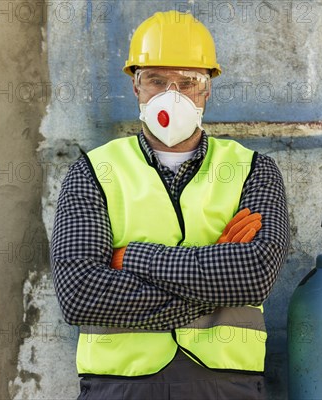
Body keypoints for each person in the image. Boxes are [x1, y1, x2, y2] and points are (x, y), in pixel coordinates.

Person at [50, 10, 289, 399]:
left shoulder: (253, 170)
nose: (171, 95)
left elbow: (254, 275)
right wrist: (213, 273)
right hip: (119, 385)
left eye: (188, 82)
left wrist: (131, 258)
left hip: (228, 384)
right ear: (136, 88)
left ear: (207, 89)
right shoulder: (93, 172)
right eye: (157, 81)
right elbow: (80, 295)